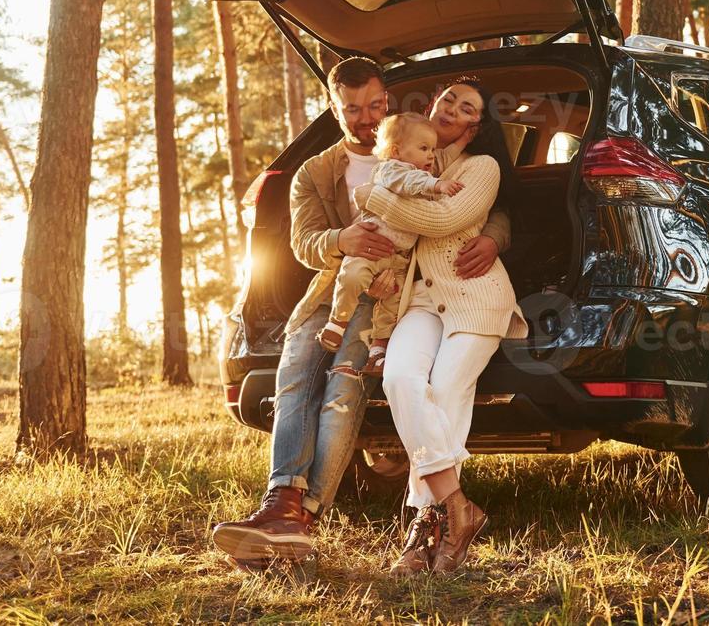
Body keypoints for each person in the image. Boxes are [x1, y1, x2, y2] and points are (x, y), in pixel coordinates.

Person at [210, 59, 509, 566]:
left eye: (375, 105)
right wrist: (340, 239)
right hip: (331, 289)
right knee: (293, 379)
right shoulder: (317, 169)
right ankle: (282, 502)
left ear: (387, 101)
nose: (367, 117)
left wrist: (497, 235)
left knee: (343, 388)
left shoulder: (423, 148)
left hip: (391, 295)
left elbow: (474, 206)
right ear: (334, 107)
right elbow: (302, 242)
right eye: (353, 108)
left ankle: (306, 515)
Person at [369, 78, 528, 577]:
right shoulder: (412, 159)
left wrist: (374, 198)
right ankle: (458, 509)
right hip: (420, 299)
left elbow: (444, 219)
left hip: (477, 299)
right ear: (433, 106)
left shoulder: (482, 167)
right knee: (399, 380)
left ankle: (423, 528)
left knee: (443, 390)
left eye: (465, 108)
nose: (452, 109)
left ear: (475, 124)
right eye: (447, 100)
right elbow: (397, 199)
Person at [321, 112, 464, 372]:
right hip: (371, 246)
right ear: (397, 151)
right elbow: (409, 182)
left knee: (394, 304)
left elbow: (443, 160)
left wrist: (463, 141)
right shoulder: (391, 170)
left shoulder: (422, 175)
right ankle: (337, 323)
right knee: (352, 275)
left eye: (433, 148)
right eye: (423, 148)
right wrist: (437, 185)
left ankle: (378, 350)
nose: (431, 155)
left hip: (399, 258)